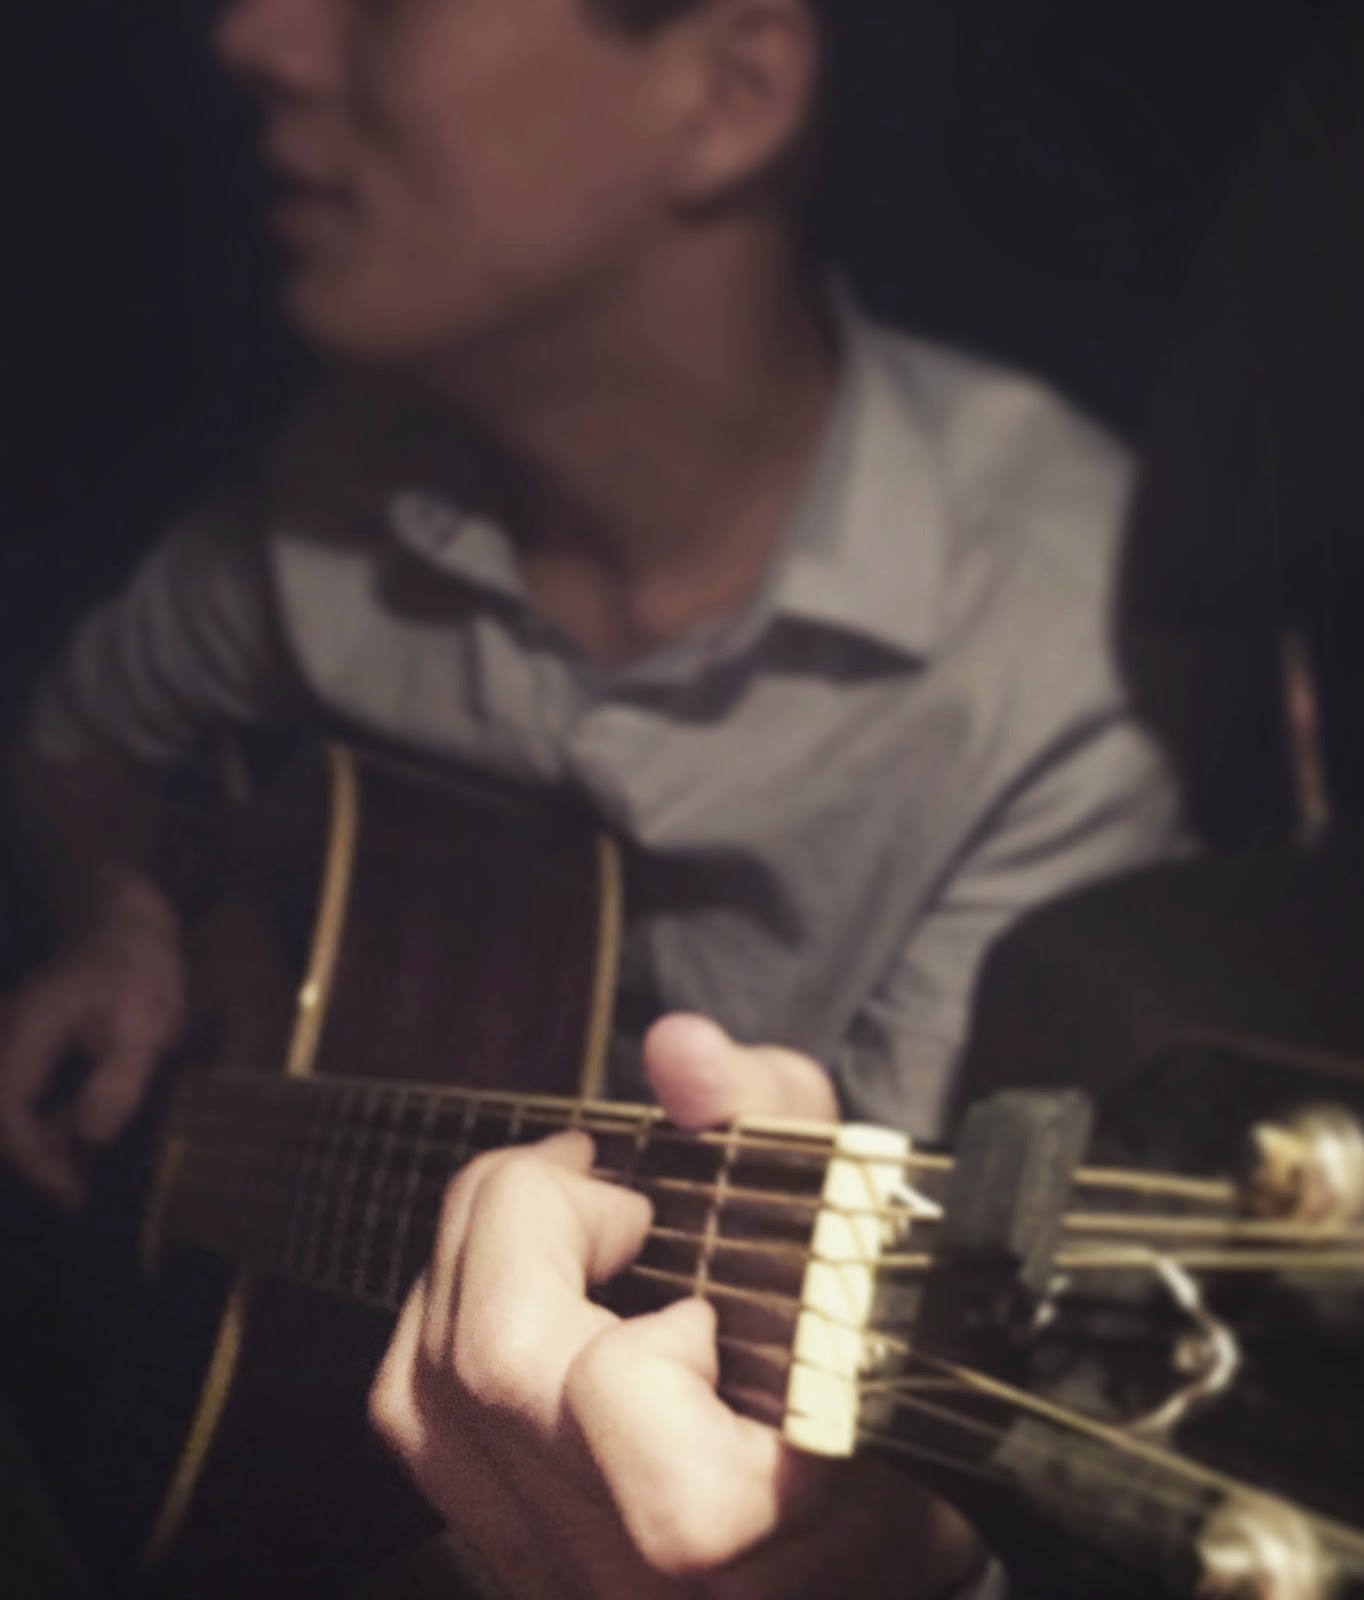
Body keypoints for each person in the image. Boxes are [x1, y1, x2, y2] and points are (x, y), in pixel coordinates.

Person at [0, 0, 1181, 1592]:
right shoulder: (342, 467)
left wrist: (884, 1551)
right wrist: (119, 917)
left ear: (731, 88)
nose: (258, 36)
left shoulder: (1069, 656)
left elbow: (923, 1372)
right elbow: (75, 736)